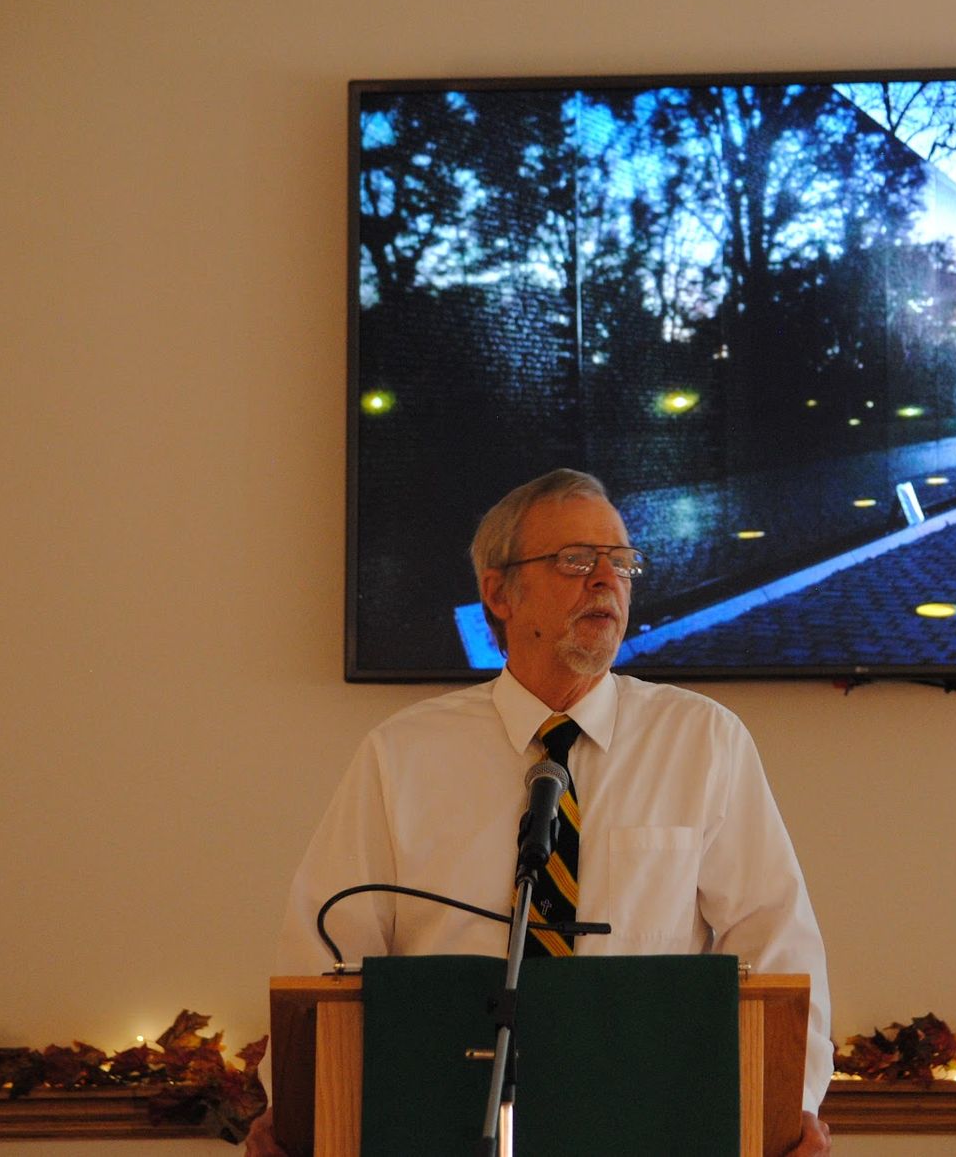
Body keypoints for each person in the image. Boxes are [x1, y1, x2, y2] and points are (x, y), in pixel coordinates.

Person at [249, 469, 833, 1155]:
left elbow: (776, 942)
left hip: (651, 1117)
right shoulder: (402, 754)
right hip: (440, 1116)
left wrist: (784, 1110)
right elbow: (325, 949)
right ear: (498, 591)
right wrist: (296, 1107)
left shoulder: (701, 740)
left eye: (621, 562)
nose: (607, 581)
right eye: (576, 560)